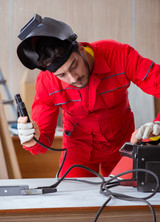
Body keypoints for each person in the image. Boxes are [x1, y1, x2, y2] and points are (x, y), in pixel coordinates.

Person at [17, 14, 160, 178]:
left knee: (129, 198)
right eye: (62, 75)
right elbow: (42, 143)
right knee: (74, 199)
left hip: (122, 146)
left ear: (81, 49)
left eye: (74, 65)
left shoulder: (119, 55)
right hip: (77, 151)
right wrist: (31, 137)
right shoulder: (46, 83)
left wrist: (158, 124)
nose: (73, 78)